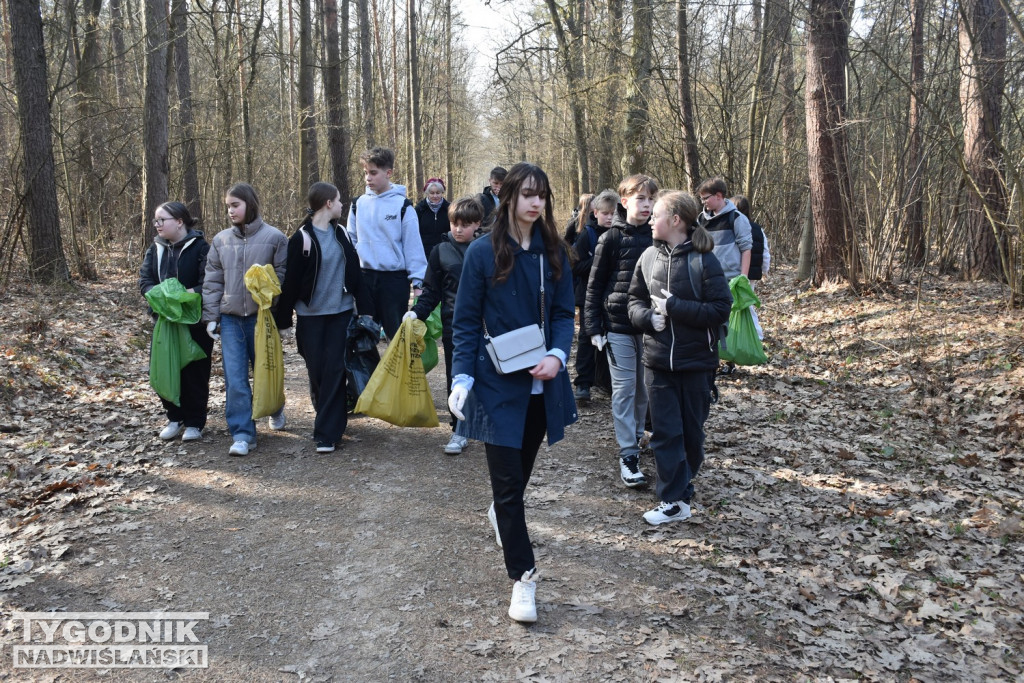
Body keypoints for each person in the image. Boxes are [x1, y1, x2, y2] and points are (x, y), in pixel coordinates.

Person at [447, 162, 577, 624]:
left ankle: (502, 514)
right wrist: (461, 377)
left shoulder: (555, 251)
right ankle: (523, 579)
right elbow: (464, 321)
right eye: (527, 194)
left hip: (542, 386)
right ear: (509, 199)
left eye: (541, 194)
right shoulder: (482, 253)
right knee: (507, 487)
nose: (535, 202)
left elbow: (564, 314)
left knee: (516, 480)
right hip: (497, 383)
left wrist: (559, 356)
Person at [628, 191, 732, 524]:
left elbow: (720, 309)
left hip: (697, 364)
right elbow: (632, 301)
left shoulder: (704, 259)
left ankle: (683, 485)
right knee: (665, 433)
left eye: (656, 214)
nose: (650, 220)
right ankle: (672, 500)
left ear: (675, 221)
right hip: (657, 363)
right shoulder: (647, 257)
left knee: (691, 434)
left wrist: (675, 308)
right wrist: (647, 318)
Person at [275, 182, 374, 454]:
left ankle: (327, 434)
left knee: (334, 370)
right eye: (339, 201)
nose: (343, 205)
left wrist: (366, 310)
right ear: (328, 203)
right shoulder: (302, 239)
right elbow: (291, 283)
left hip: (341, 314)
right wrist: (283, 321)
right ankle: (328, 413)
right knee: (317, 371)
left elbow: (355, 275)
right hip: (310, 318)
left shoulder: (341, 234)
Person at [202, 183, 288, 457]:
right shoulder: (220, 240)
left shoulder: (275, 238)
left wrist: (272, 299)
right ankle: (242, 433)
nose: (230, 210)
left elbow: (284, 276)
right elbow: (213, 280)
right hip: (230, 320)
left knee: (266, 372)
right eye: (227, 205)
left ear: (250, 204)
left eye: (235, 205)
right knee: (236, 378)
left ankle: (275, 407)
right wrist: (211, 317)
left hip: (261, 319)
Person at [584, 174, 658, 489]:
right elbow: (594, 286)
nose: (647, 205)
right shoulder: (610, 239)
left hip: (652, 327)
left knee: (644, 390)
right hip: (616, 327)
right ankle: (628, 454)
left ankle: (638, 435)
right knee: (625, 389)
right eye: (641, 199)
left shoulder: (661, 236)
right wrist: (593, 327)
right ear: (624, 201)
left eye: (652, 199)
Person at [404, 196, 484, 455]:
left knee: (487, 377)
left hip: (488, 327)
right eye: (454, 224)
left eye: (464, 224)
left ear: (477, 225)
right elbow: (431, 292)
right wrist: (416, 313)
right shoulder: (439, 252)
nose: (458, 229)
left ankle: (487, 425)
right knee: (457, 376)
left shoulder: (487, 248)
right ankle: (459, 431)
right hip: (455, 327)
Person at [139, 202, 213, 442]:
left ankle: (194, 422)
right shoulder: (155, 249)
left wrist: (183, 296)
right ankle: (174, 417)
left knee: (194, 372)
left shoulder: (201, 247)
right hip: (165, 320)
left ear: (179, 221)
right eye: (156, 221)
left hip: (194, 322)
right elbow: (145, 280)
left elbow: (209, 282)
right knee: (163, 368)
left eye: (162, 220)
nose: (157, 225)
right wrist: (160, 298)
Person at [346, 147, 427, 340]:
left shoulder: (403, 207)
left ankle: (398, 371)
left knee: (397, 337)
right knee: (363, 338)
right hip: (364, 278)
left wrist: (418, 284)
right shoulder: (358, 205)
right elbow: (351, 241)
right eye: (366, 173)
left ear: (388, 173)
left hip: (394, 281)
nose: (368, 178)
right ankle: (368, 372)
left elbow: (413, 246)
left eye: (373, 173)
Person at [696, 177, 752, 373]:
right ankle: (709, 358)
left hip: (730, 278)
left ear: (719, 196)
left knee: (727, 320)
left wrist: (742, 278)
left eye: (706, 198)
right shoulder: (701, 219)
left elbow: (746, 249)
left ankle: (729, 362)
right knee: (706, 318)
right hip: (705, 278)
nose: (703, 202)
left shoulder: (737, 219)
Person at [571, 190, 615, 402]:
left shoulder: (620, 234)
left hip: (613, 296)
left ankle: (605, 381)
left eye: (613, 213)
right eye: (605, 213)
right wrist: (599, 262)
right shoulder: (586, 235)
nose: (609, 217)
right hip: (589, 295)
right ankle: (583, 383)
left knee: (611, 338)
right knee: (587, 337)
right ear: (595, 212)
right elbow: (575, 265)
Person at [731, 194, 770, 340]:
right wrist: (764, 270)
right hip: (751, 274)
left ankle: (753, 336)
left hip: (735, 272)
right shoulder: (757, 229)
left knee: (740, 305)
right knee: (746, 303)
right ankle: (753, 335)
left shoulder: (731, 227)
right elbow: (765, 253)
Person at [415, 178, 450, 257]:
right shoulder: (419, 209)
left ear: (442, 193)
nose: (435, 196)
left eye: (438, 193)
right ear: (427, 193)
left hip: (445, 252)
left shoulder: (449, 209)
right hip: (424, 253)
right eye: (432, 193)